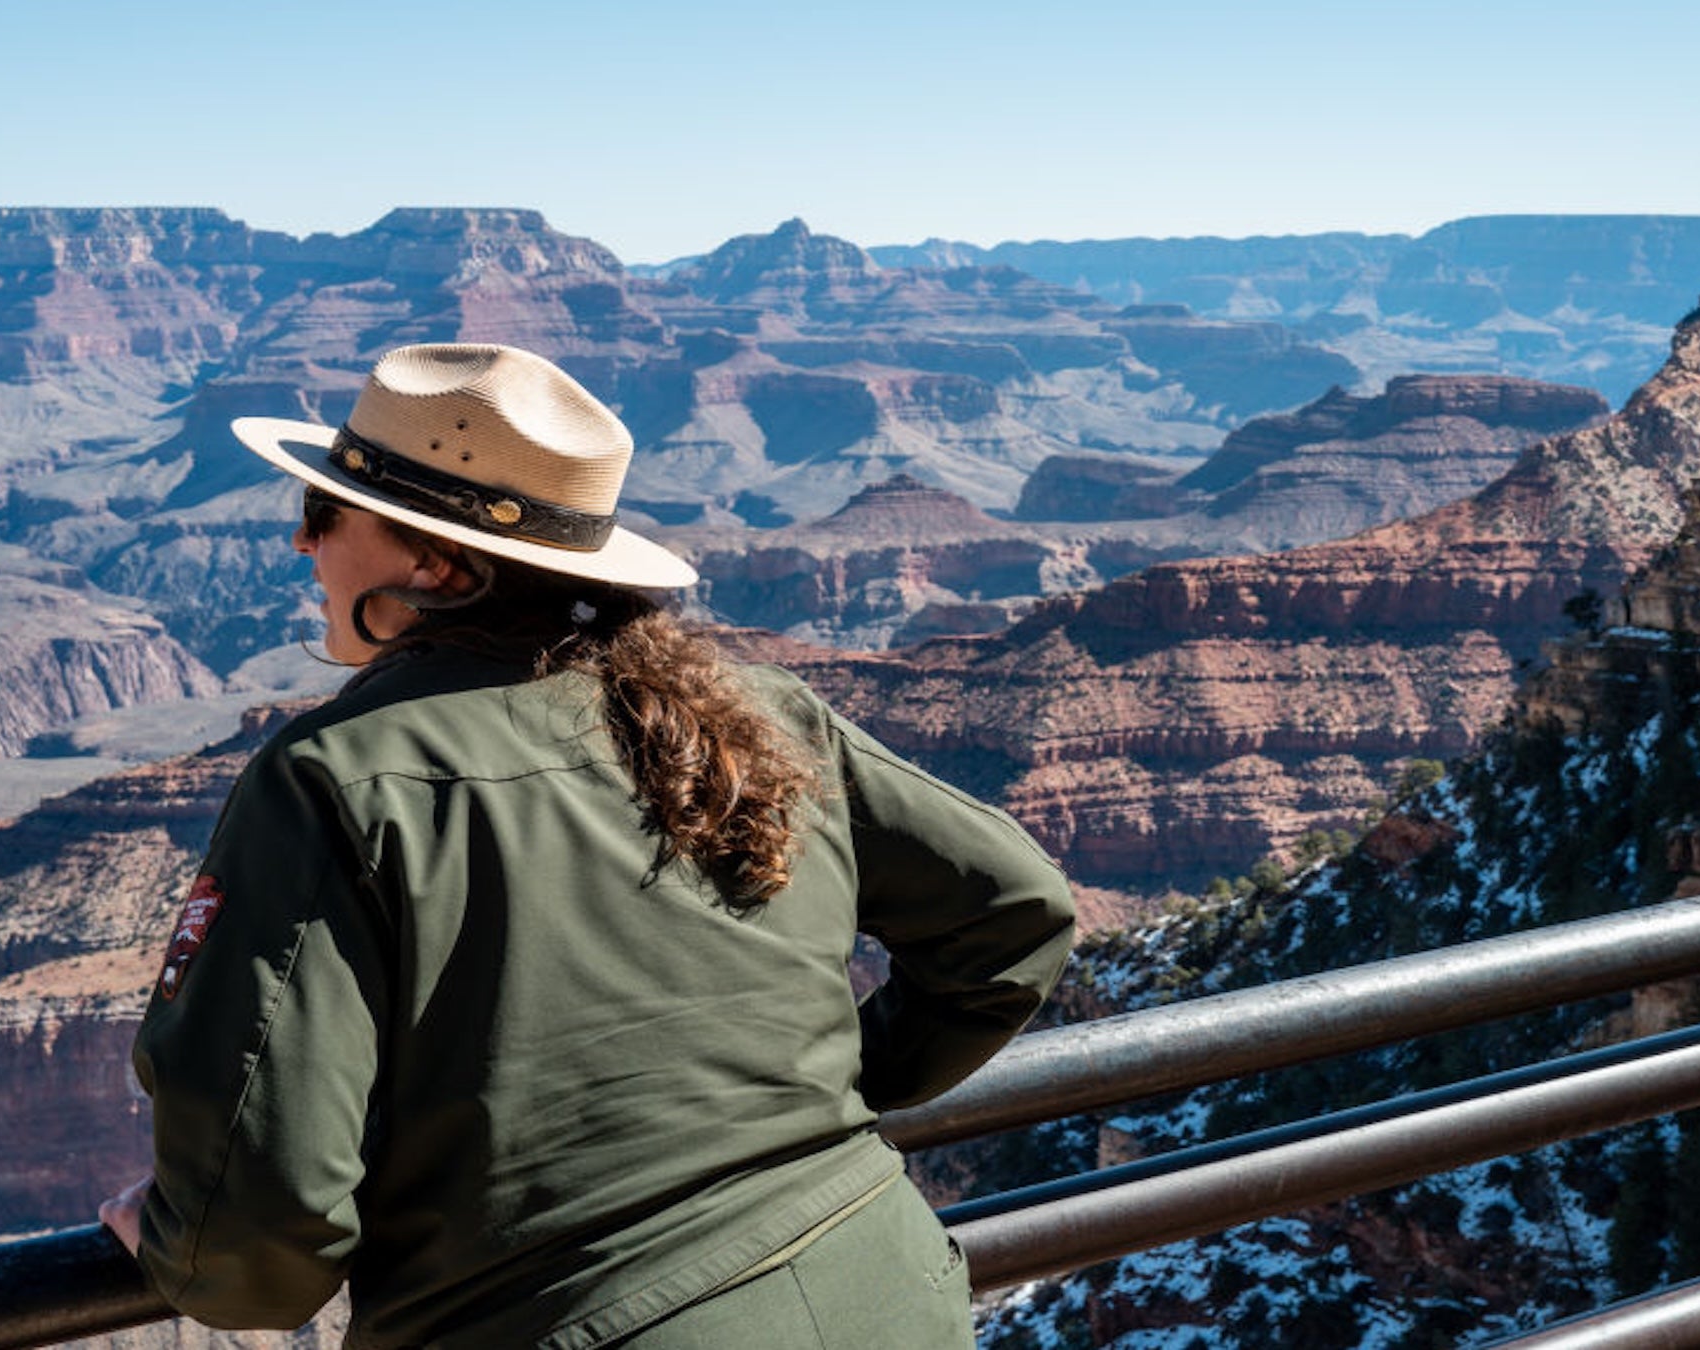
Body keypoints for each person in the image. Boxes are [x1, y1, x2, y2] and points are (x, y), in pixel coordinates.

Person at [97, 343, 1076, 1349]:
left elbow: (261, 1237)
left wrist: (183, 1247)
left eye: (323, 515)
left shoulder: (337, 774)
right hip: (886, 1290)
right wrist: (812, 1101)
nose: (303, 546)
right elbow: (1014, 921)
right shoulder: (755, 712)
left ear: (434, 561)